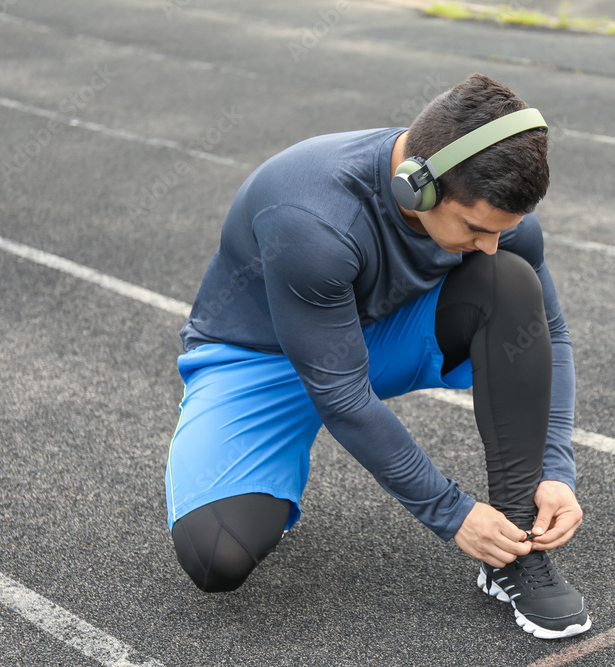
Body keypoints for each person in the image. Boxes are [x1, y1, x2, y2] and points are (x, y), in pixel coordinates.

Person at [165, 73, 591, 639]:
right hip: (257, 362)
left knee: (507, 283)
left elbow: (551, 332)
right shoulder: (311, 217)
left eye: (501, 229)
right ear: (418, 187)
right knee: (217, 556)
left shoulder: (492, 218)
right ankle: (269, 464)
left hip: (378, 339)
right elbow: (341, 394)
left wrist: (556, 470)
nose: (489, 243)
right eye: (474, 228)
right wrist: (452, 513)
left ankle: (513, 551)